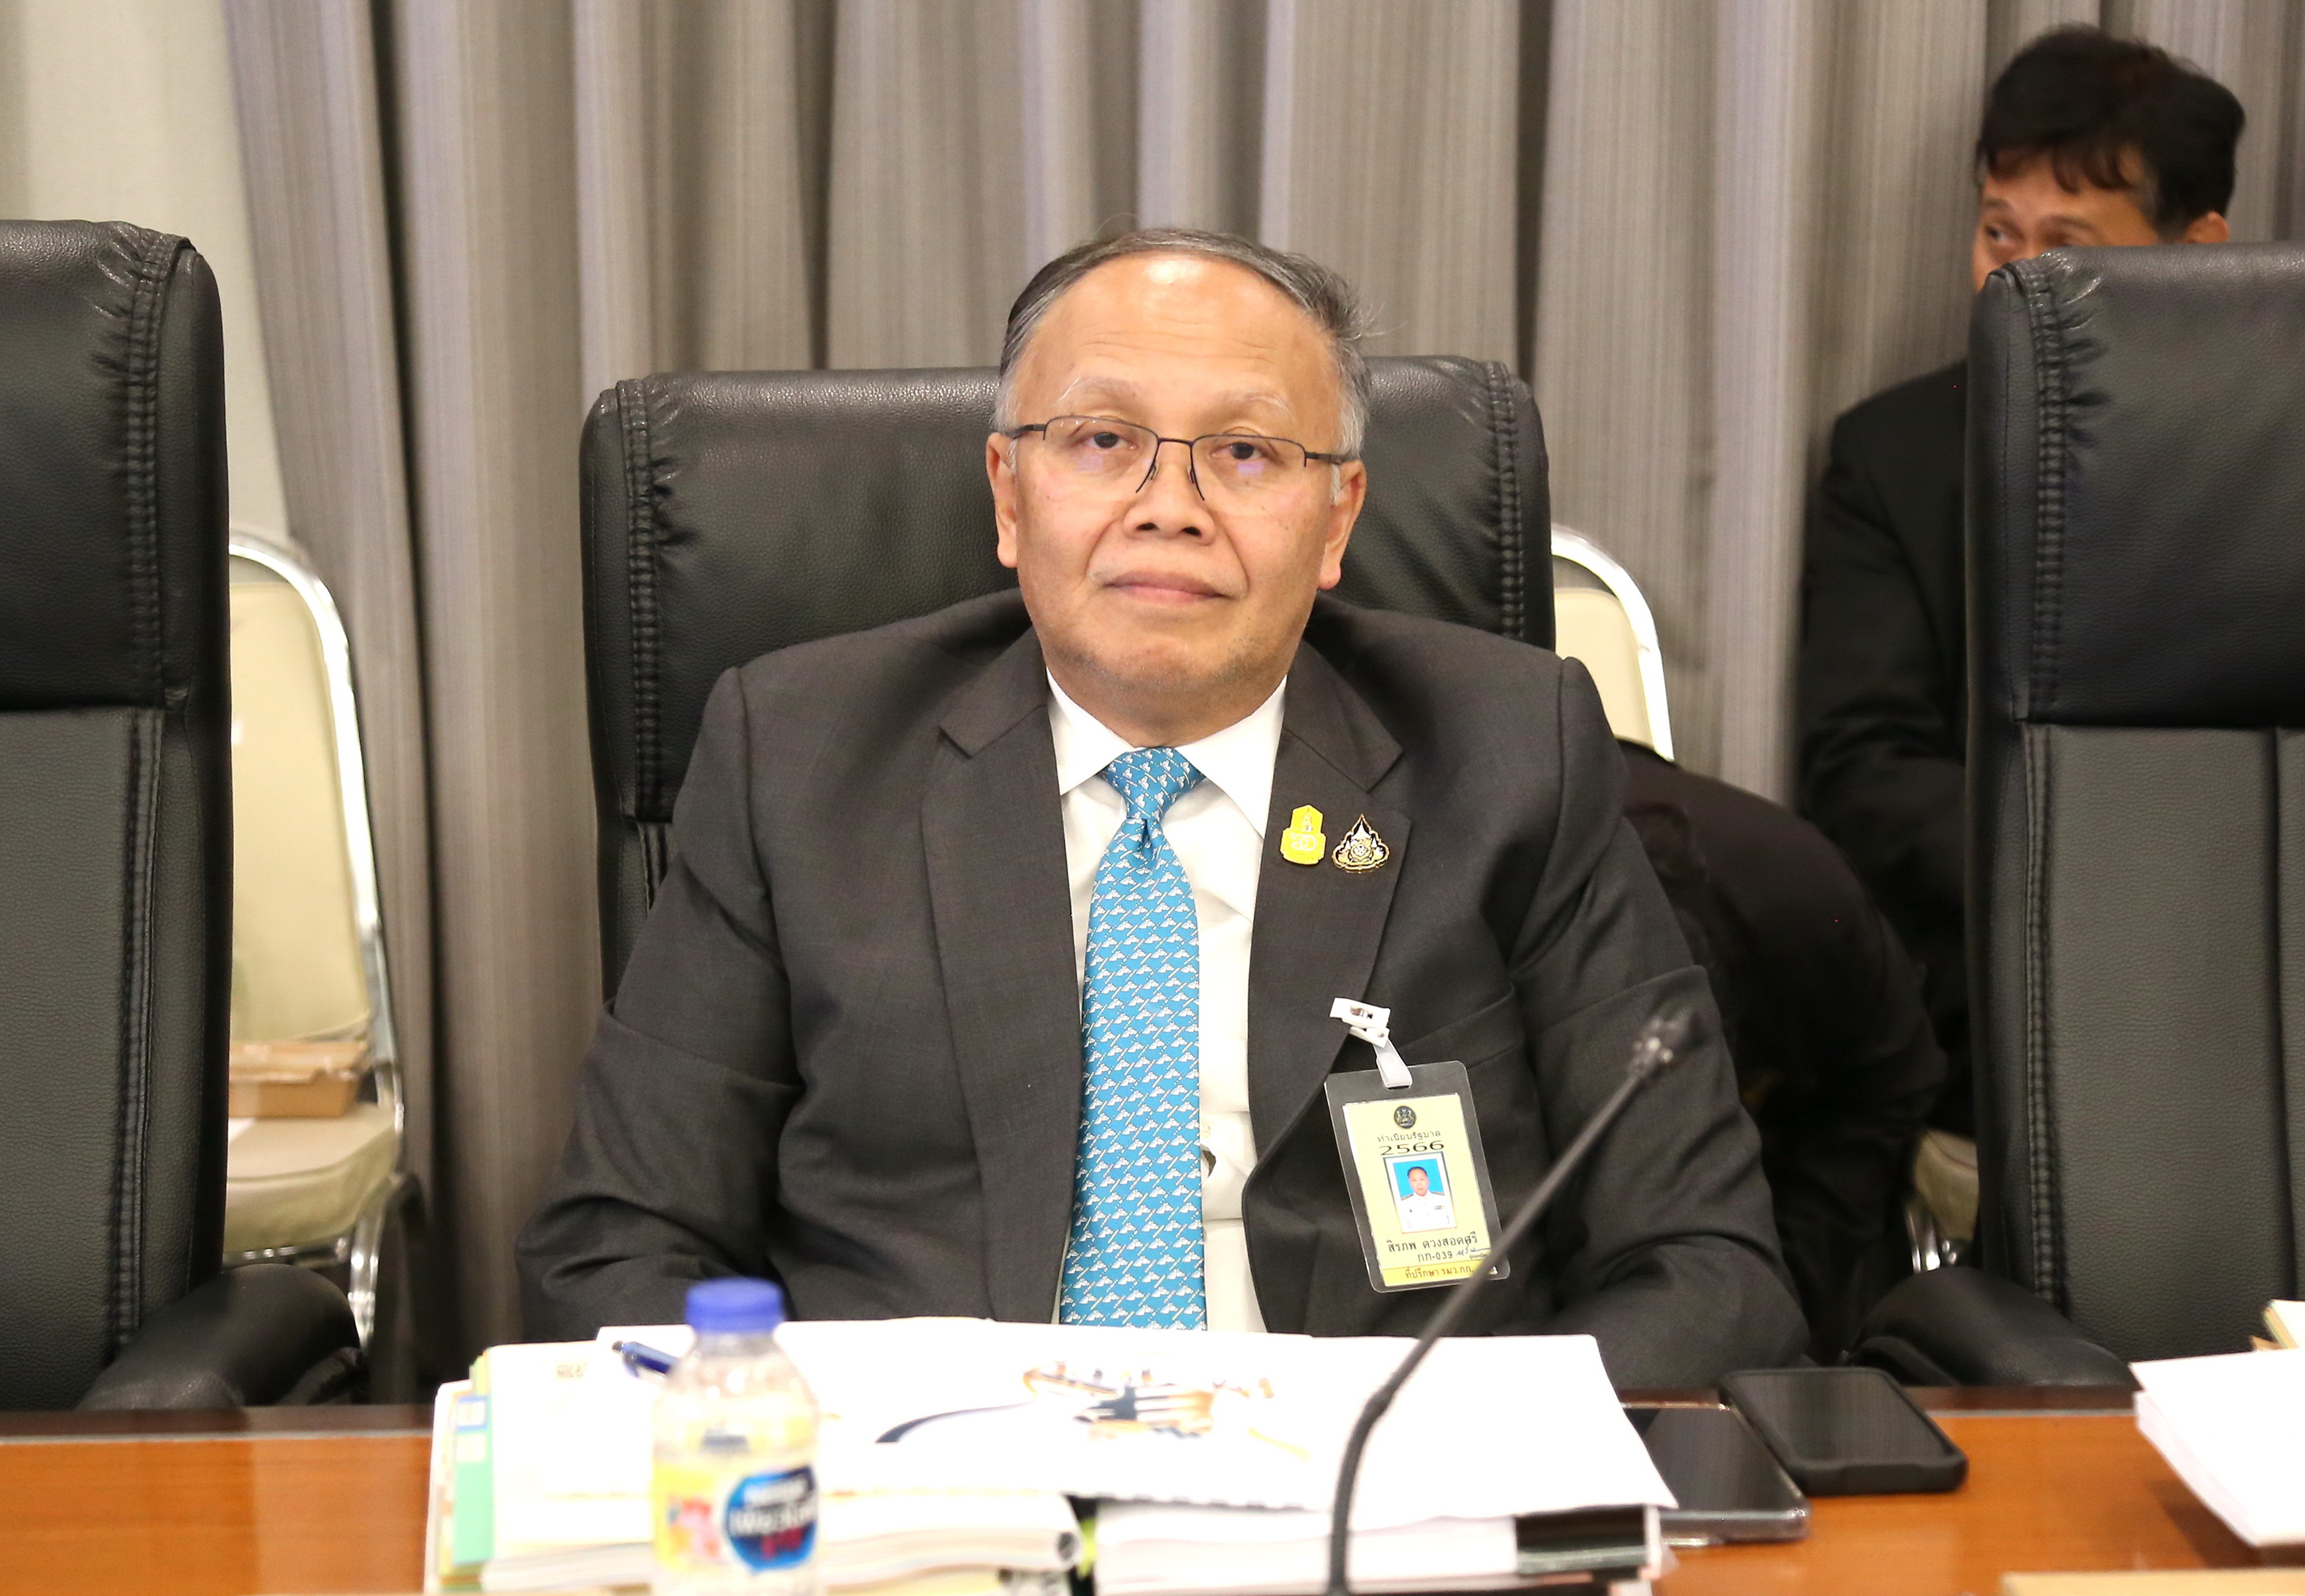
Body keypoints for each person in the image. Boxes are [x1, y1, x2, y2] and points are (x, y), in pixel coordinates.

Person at [519, 227, 1806, 1388]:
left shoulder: (1511, 754)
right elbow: (619, 1242)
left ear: (1337, 518)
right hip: (934, 1501)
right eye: (1102, 441)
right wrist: (812, 1468)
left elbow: (1706, 1266)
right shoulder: (802, 757)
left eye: (1245, 453)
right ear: (1009, 495)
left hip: (1375, 1494)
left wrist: (1453, 1465)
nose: (1171, 509)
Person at [1796, 27, 2243, 1132]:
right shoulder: (1895, 457)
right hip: (1996, 988)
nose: (2013, 280)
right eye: (1999, 233)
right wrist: (2097, 874)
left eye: (2064, 245)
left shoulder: (2265, 459)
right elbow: (1862, 769)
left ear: (2197, 250)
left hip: (2243, 968)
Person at [1619, 744, 1944, 1360]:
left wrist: (1788, 1287)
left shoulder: (1807, 904)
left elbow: (1889, 1085)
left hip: (1792, 1148)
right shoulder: (1475, 935)